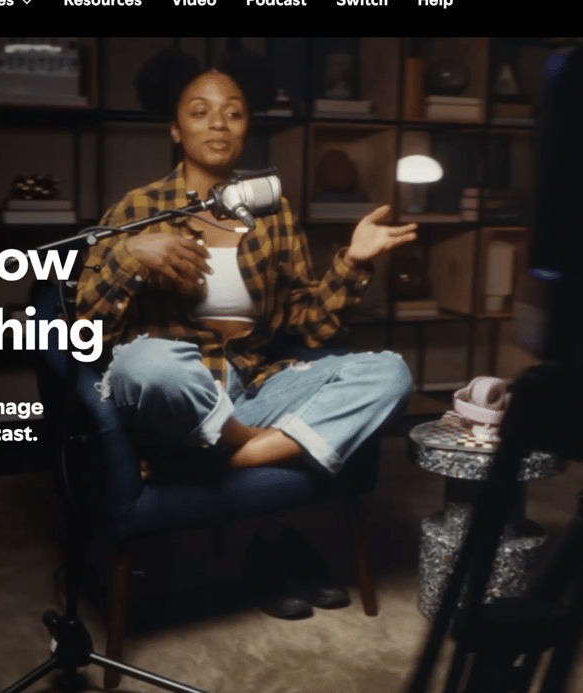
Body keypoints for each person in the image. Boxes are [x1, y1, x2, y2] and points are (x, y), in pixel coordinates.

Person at [75, 65, 417, 481]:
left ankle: (221, 460)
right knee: (147, 362)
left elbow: (312, 329)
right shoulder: (137, 209)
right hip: (172, 401)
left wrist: (354, 262)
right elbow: (86, 331)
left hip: (253, 394)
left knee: (390, 374)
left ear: (246, 129)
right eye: (200, 112)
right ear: (176, 131)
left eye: (233, 113)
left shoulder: (274, 213)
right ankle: (264, 442)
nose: (218, 123)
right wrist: (131, 253)